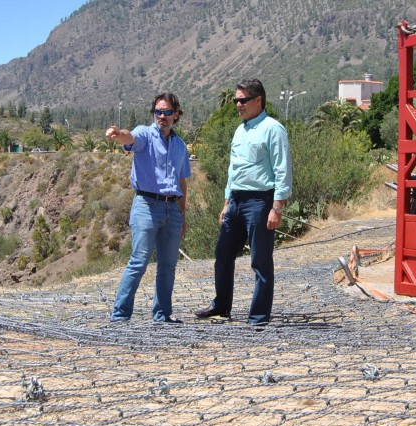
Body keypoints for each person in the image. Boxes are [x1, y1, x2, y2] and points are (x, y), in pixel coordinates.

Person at [195, 78, 293, 326]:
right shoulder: (240, 130)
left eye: (243, 100)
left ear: (258, 100)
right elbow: (234, 168)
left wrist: (277, 206)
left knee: (260, 260)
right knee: (223, 254)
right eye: (236, 100)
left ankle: (258, 317)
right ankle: (221, 306)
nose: (238, 104)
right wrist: (227, 201)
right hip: (236, 200)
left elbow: (283, 169)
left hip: (260, 201)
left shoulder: (273, 129)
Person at [106, 92, 191, 323]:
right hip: (146, 205)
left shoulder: (180, 145)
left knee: (168, 265)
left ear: (176, 114)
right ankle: (120, 315)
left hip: (172, 209)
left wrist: (182, 216)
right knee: (139, 260)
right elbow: (129, 137)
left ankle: (162, 315)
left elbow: (182, 181)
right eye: (158, 112)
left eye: (167, 112)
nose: (162, 116)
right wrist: (117, 134)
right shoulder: (145, 133)